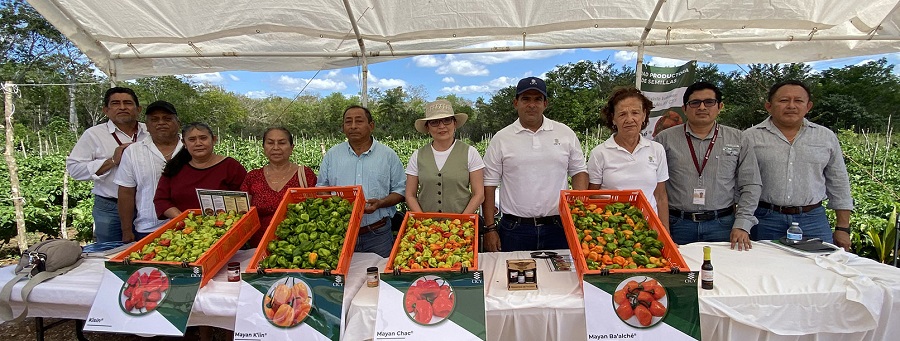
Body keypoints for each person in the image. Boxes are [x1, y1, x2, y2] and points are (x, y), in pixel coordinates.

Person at [482, 77, 589, 252]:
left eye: (537, 99)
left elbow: (579, 172)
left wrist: (577, 212)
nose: (532, 104)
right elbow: (489, 184)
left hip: (559, 227)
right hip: (514, 230)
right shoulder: (502, 138)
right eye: (526, 99)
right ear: (516, 103)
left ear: (545, 103)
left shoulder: (565, 133)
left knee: (561, 279)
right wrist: (490, 228)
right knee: (513, 278)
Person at [744, 80, 853, 250]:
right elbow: (738, 183)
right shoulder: (749, 138)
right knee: (765, 270)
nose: (791, 106)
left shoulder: (825, 137)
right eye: (784, 100)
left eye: (798, 101)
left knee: (818, 269)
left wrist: (843, 227)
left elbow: (838, 183)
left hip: (813, 219)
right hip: (764, 218)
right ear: (768, 106)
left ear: (808, 106)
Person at [655, 82, 761, 250]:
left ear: (720, 106)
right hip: (678, 224)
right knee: (679, 272)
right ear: (684, 108)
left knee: (722, 272)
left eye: (709, 102)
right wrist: (662, 228)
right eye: (695, 103)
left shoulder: (738, 139)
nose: (702, 107)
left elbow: (751, 184)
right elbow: (655, 185)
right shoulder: (664, 139)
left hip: (723, 224)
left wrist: (742, 224)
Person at [317, 106, 405, 257]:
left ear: (371, 126)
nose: (353, 126)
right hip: (340, 234)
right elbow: (321, 187)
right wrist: (335, 205)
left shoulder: (387, 155)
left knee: (379, 277)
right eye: (348, 122)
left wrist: (381, 203)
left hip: (378, 234)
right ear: (343, 127)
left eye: (359, 121)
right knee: (345, 278)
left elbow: (400, 191)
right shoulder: (333, 155)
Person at [66, 87, 149, 243]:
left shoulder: (150, 132)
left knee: (150, 254)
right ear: (106, 110)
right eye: (116, 103)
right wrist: (112, 161)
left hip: (147, 205)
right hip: (111, 207)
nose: (123, 107)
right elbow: (75, 170)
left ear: (138, 109)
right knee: (110, 254)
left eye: (128, 103)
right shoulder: (94, 134)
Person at [587, 87, 669, 229]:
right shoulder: (600, 153)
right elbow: (592, 196)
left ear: (644, 115)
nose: (629, 119)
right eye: (622, 114)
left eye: (635, 113)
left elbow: (660, 196)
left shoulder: (657, 150)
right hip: (612, 230)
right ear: (613, 118)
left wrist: (665, 232)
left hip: (649, 230)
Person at [115, 101, 183, 242]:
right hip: (148, 229)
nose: (161, 123)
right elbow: (126, 192)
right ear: (147, 125)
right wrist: (126, 230)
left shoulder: (192, 148)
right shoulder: (133, 152)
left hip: (189, 226)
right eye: (154, 119)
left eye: (167, 118)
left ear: (178, 123)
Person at [405, 99, 485, 214]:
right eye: (434, 122)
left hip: (462, 227)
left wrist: (461, 220)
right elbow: (410, 195)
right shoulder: (417, 155)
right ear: (428, 128)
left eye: (447, 120)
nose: (441, 126)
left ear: (454, 123)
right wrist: (422, 219)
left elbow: (479, 195)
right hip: (426, 227)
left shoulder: (470, 153)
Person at [241, 127, 317, 245]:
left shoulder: (305, 175)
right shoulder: (253, 177)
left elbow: (315, 210)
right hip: (259, 246)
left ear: (292, 148)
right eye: (270, 143)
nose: (276, 148)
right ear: (264, 147)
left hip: (297, 248)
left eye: (282, 143)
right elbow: (243, 213)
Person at [154, 122, 247, 219]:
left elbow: (244, 199)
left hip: (226, 227)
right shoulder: (174, 167)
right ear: (184, 143)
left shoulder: (231, 166)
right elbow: (161, 200)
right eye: (192, 140)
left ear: (214, 140)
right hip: (183, 229)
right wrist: (184, 220)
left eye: (203, 138)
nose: (198, 143)